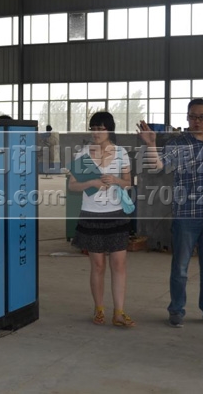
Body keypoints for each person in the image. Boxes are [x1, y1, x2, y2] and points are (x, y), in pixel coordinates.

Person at [137, 99, 203, 329]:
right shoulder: (178, 144)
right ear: (187, 117)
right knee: (180, 267)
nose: (196, 121)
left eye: (201, 117)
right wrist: (151, 144)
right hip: (186, 215)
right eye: (192, 116)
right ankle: (176, 310)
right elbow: (158, 165)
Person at [69, 112, 135, 328]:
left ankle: (119, 312)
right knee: (97, 265)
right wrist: (91, 183)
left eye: (101, 128)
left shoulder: (121, 153)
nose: (96, 133)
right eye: (94, 128)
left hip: (116, 214)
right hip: (91, 214)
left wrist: (116, 180)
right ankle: (99, 309)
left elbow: (129, 182)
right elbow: (72, 185)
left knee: (119, 264)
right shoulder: (82, 154)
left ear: (110, 130)